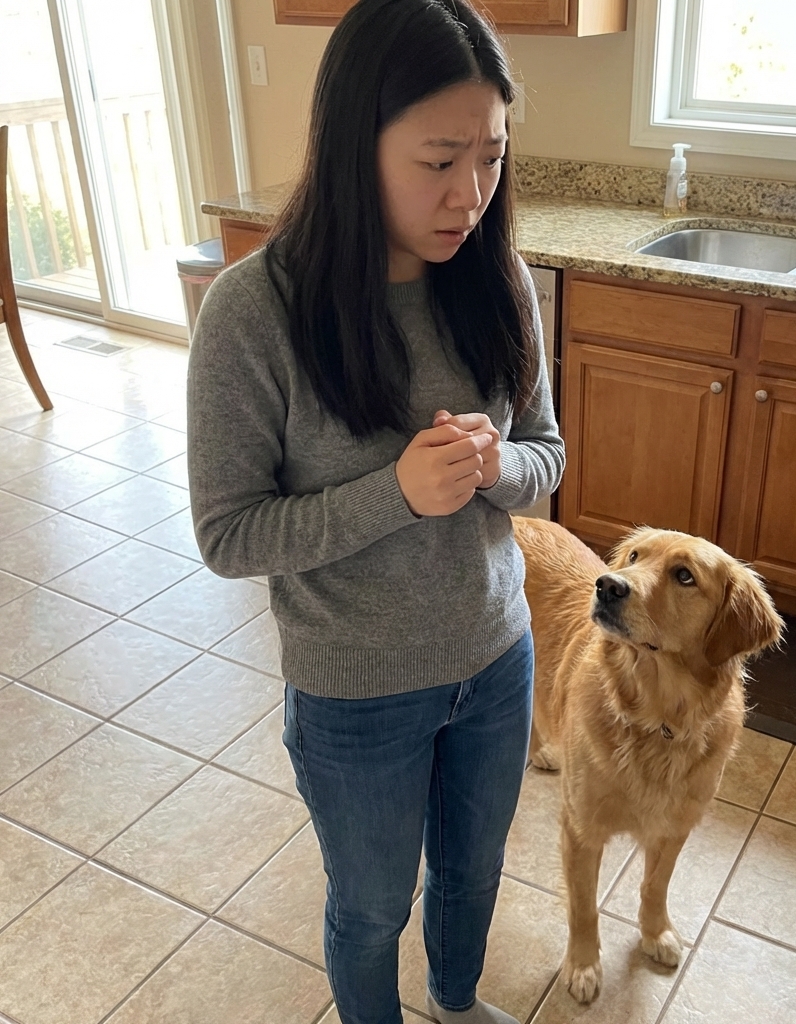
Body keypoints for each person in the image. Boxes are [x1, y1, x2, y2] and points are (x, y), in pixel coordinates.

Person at [185, 0, 564, 1021]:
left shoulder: (499, 282)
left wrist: (498, 471)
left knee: (474, 877)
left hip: (496, 659)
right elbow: (227, 534)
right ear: (357, 145)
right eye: (438, 160)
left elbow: (548, 456)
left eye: (489, 157)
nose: (471, 195)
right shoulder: (253, 312)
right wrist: (391, 493)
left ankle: (453, 998)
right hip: (354, 696)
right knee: (368, 906)